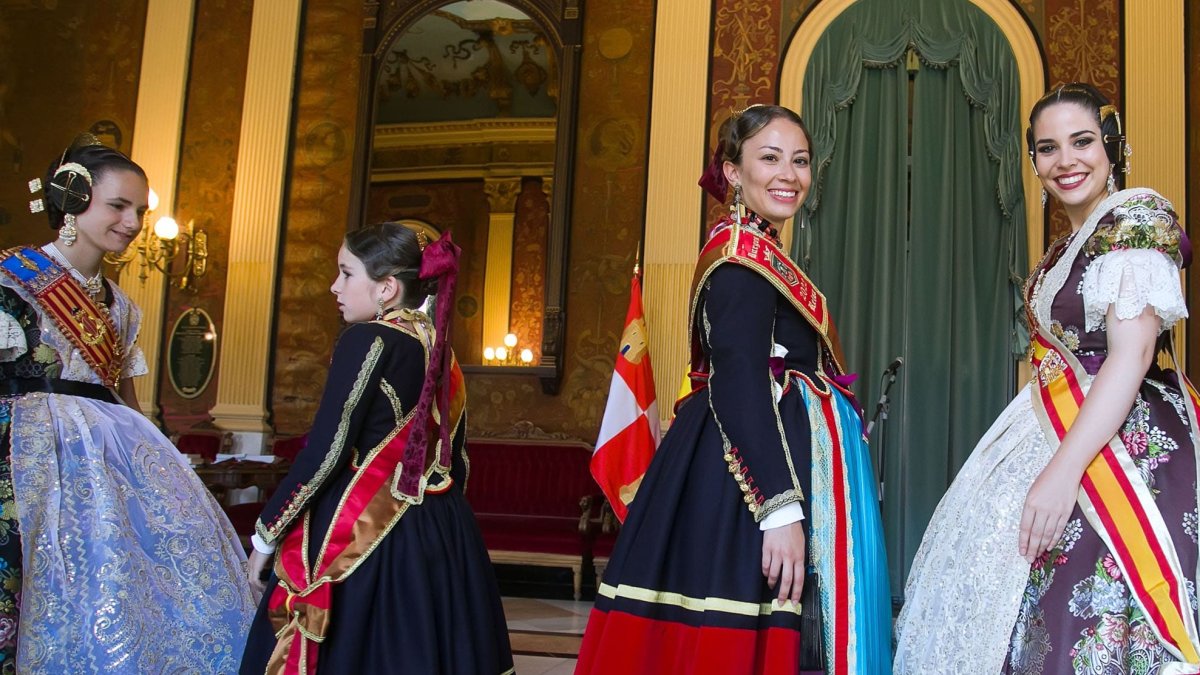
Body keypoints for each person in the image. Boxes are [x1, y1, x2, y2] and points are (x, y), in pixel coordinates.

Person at [575, 105, 892, 674]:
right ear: (733, 171)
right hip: (747, 480)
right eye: (769, 158)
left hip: (747, 463)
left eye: (799, 161)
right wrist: (779, 510)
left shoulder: (754, 251)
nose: (788, 174)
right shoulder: (741, 262)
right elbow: (740, 379)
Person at [896, 83, 1200, 674]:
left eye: (1082, 141)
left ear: (1113, 147)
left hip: (1124, 447)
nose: (1066, 161)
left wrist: (1061, 472)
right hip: (1060, 422)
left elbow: (1131, 357)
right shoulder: (1069, 245)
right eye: (1047, 148)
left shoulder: (1134, 220)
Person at [0, 135, 255, 673]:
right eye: (119, 206)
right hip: (30, 457)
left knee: (123, 579)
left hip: (112, 460)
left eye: (141, 209)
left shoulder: (122, 305)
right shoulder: (12, 279)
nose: (134, 222)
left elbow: (126, 400)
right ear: (73, 200)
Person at [239, 222, 513, 674]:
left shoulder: (368, 339)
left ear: (387, 288)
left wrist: (266, 534)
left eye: (346, 273)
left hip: (369, 536)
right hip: (440, 530)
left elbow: (327, 451)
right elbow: (456, 459)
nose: (335, 286)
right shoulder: (439, 348)